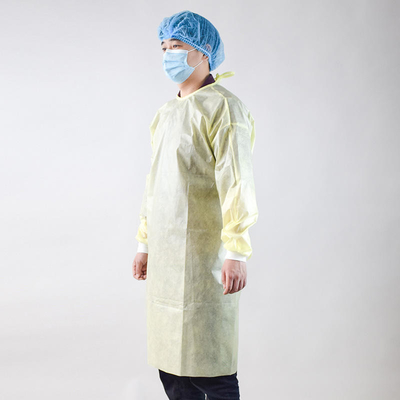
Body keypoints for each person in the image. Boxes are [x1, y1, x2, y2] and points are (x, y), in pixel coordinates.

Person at [132, 10, 258, 400]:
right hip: (167, 259)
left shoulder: (224, 108)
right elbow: (155, 184)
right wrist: (144, 243)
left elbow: (236, 180)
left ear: (203, 51)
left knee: (211, 368)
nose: (168, 54)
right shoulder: (166, 114)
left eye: (177, 46)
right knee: (172, 370)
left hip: (207, 258)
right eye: (164, 47)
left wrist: (236, 251)